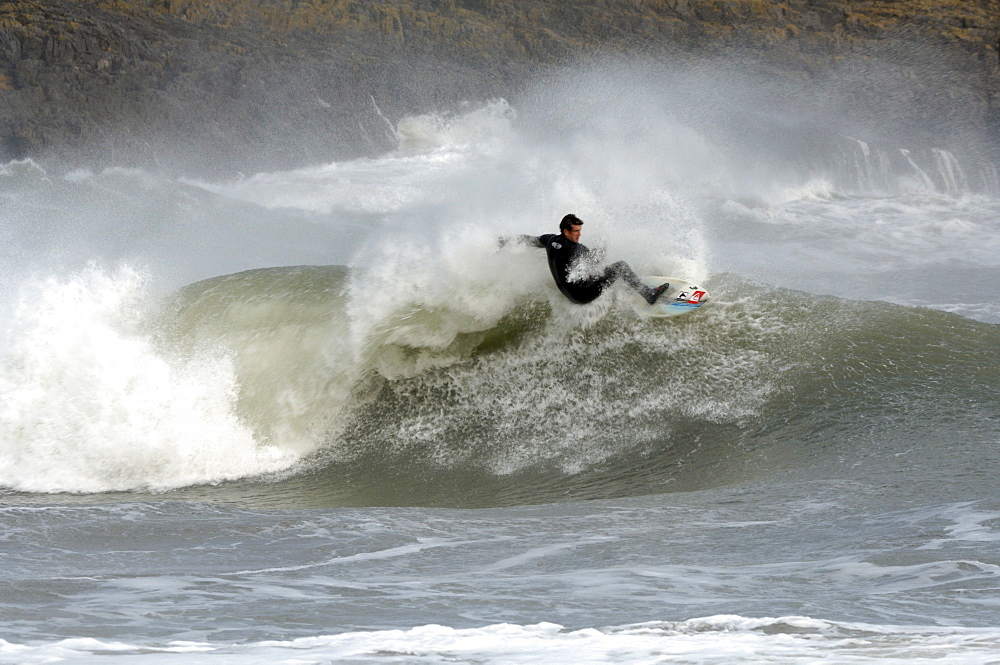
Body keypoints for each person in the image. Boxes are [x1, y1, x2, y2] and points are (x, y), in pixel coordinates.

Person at [516, 214, 670, 305]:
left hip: (569, 293)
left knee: (604, 273)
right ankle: (649, 295)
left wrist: (512, 241)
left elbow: (532, 240)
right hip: (582, 296)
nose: (579, 235)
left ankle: (628, 287)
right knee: (620, 266)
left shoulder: (549, 240)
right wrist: (602, 245)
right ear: (566, 231)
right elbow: (595, 259)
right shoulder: (576, 249)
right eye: (576, 232)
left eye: (580, 231)